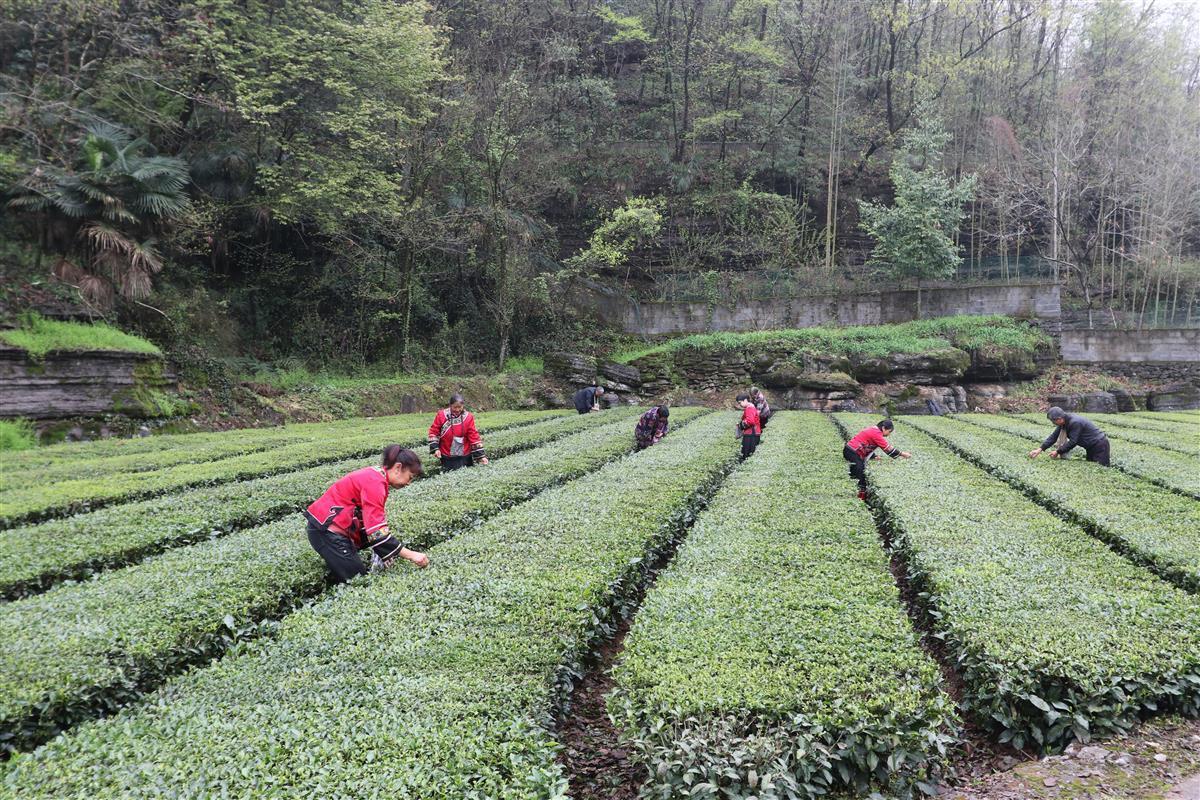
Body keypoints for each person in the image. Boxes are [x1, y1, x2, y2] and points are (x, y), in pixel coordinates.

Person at [304, 445, 430, 582]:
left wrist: (385, 552)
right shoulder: (375, 483)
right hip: (327, 533)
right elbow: (376, 531)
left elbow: (369, 525)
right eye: (410, 477)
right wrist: (412, 555)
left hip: (327, 528)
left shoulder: (375, 476)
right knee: (357, 582)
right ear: (398, 468)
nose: (409, 483)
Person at [844, 419, 912, 500]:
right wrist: (903, 454)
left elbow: (866, 442)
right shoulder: (876, 433)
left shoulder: (874, 430)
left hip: (851, 450)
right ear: (883, 428)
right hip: (851, 451)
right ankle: (861, 493)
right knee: (860, 469)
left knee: (859, 467)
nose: (889, 434)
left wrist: (873, 456)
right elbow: (888, 448)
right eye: (889, 431)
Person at [1028, 406, 1110, 466]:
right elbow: (1053, 437)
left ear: (1059, 419)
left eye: (1054, 422)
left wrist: (1058, 451)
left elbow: (1073, 442)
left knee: (1101, 468)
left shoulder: (1074, 422)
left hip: (1099, 446)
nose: (1053, 424)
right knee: (1093, 466)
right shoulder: (1064, 423)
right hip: (1090, 447)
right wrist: (1039, 450)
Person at [428, 394, 489, 471]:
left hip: (465, 454)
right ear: (450, 405)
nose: (457, 410)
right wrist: (435, 449)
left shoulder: (468, 417)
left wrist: (481, 456)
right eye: (455, 407)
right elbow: (434, 431)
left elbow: (473, 435)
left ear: (463, 406)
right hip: (446, 453)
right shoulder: (441, 415)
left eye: (459, 407)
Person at [735, 393, 761, 459]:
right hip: (753, 433)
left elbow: (750, 421)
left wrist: (741, 425)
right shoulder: (751, 407)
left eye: (740, 402)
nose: (739, 404)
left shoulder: (750, 408)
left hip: (751, 434)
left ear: (745, 400)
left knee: (747, 455)